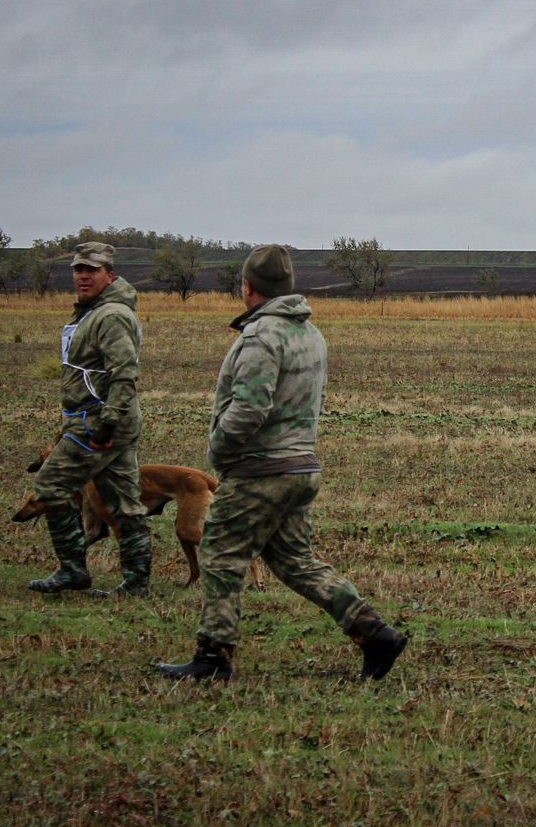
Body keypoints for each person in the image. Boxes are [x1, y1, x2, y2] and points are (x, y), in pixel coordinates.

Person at [157, 245, 407, 682]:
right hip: (300, 467)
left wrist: (218, 450)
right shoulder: (311, 334)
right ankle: (374, 633)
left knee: (218, 553)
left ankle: (213, 656)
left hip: (261, 470)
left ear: (248, 287)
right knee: (294, 560)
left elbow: (250, 409)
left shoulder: (261, 337)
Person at [26, 242, 151, 597]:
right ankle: (137, 583)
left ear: (109, 275)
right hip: (107, 419)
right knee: (126, 503)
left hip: (98, 423)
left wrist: (106, 425)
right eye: (78, 270)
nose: (83, 276)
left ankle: (73, 570)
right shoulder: (92, 312)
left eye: (92, 270)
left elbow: (124, 374)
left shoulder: (110, 316)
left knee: (50, 486)